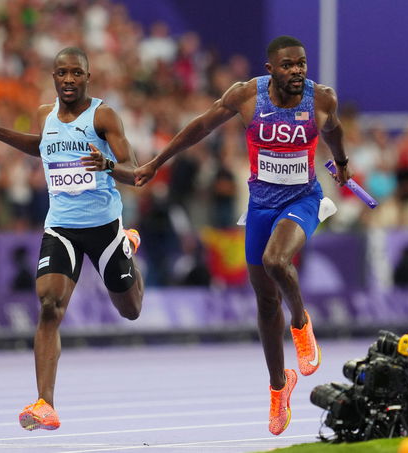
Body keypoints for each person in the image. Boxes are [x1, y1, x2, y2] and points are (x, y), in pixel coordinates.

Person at [135, 35, 352, 435]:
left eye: (301, 64)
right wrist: (156, 161)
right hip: (260, 205)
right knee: (266, 303)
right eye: (288, 65)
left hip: (303, 199)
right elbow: (200, 126)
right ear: (270, 69)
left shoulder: (321, 99)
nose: (297, 72)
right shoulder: (247, 96)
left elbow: (334, 131)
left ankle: (302, 326)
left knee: (275, 261)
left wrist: (341, 163)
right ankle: (277, 387)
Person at [0, 47, 144, 431]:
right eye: (61, 73)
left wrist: (109, 165)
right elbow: (39, 147)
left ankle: (128, 244)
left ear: (87, 77)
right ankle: (45, 402)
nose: (68, 80)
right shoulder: (45, 115)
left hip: (104, 227)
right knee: (49, 304)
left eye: (75, 73)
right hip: (60, 225)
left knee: (130, 310)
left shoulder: (103, 115)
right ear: (53, 77)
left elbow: (136, 171)